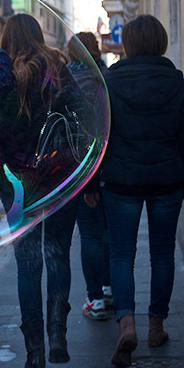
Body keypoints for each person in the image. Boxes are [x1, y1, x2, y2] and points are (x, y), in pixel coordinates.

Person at [0, 13, 81, 368]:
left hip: (17, 183)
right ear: (38, 35)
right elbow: (82, 113)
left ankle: (34, 353)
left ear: (6, 38)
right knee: (57, 255)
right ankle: (57, 334)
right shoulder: (56, 67)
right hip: (58, 175)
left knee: (28, 264)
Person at [98, 15, 184, 368]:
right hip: (166, 178)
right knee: (162, 254)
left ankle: (126, 322)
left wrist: (93, 181)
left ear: (127, 44)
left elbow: (100, 137)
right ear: (161, 43)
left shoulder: (109, 83)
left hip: (121, 179)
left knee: (121, 255)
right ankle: (156, 326)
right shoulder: (177, 83)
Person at [67, 33, 112, 320]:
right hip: (111, 168)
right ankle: (108, 288)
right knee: (107, 232)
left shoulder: (66, 80)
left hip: (82, 171)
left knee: (90, 235)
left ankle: (95, 299)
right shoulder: (106, 78)